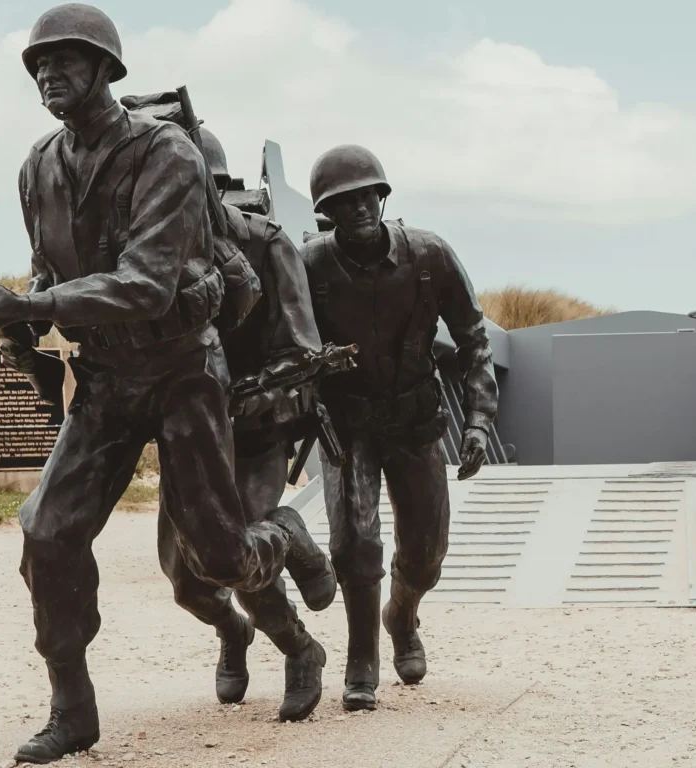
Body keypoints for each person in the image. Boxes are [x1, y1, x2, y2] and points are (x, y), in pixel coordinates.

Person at [0, 5, 335, 763]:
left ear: (106, 68)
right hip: (105, 377)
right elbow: (50, 273)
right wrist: (16, 316)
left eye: (65, 60)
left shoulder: (166, 153)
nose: (48, 74)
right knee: (46, 532)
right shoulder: (38, 165)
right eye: (38, 65)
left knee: (217, 558)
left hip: (181, 372)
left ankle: (287, 563)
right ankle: (73, 710)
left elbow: (147, 284)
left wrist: (33, 306)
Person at [299, 144, 498, 713]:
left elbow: (473, 339)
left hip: (414, 421)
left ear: (382, 198)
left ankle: (402, 616)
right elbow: (286, 342)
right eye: (345, 201)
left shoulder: (429, 255)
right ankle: (361, 658)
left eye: (368, 196)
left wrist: (479, 419)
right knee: (354, 544)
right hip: (347, 424)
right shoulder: (309, 265)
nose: (360, 208)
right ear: (327, 212)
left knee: (427, 551)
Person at [153, 124, 329, 722]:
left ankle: (300, 649)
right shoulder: (150, 254)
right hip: (189, 439)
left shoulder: (267, 244)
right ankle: (233, 630)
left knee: (238, 551)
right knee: (185, 581)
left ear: (214, 185)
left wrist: (256, 392)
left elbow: (304, 347)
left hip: (255, 431)